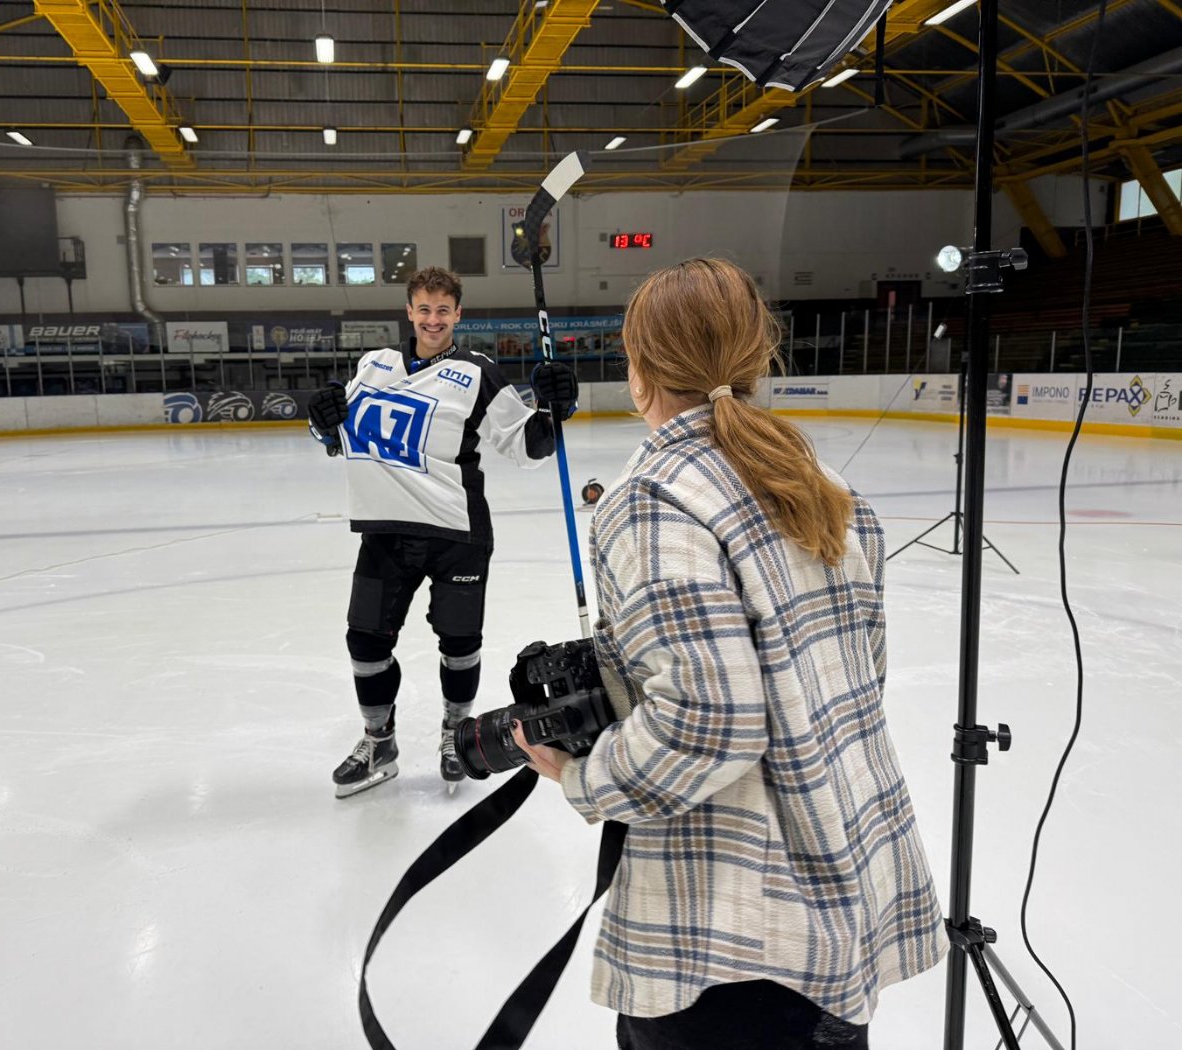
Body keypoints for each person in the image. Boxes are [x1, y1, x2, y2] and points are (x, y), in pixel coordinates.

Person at [514, 258, 946, 1048]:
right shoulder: (818, 481)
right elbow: (862, 676)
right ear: (755, 357)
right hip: (841, 896)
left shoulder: (656, 498)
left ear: (638, 371)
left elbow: (711, 720)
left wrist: (585, 776)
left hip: (732, 937)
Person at [307, 266, 578, 799]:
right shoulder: (374, 364)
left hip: (457, 533)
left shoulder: (477, 372)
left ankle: (456, 734)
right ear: (409, 311)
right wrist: (321, 420)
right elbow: (340, 435)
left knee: (459, 644)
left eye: (443, 310)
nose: (433, 319)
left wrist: (554, 408)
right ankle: (379, 743)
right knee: (365, 641)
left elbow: (526, 446)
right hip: (385, 531)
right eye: (424, 309)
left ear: (458, 314)